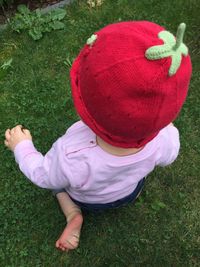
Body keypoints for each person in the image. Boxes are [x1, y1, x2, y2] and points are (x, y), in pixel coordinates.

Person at [4, 21, 192, 252]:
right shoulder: (165, 137)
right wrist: (159, 121)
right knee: (129, 181)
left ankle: (73, 213)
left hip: (89, 200)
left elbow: (44, 175)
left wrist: (22, 146)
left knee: (59, 189)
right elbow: (168, 156)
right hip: (129, 191)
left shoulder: (72, 153)